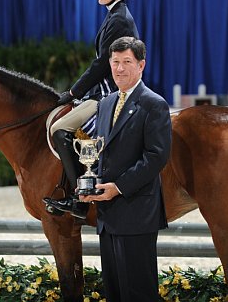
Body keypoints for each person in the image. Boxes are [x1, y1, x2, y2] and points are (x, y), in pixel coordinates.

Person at [44, 0, 139, 220]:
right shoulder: (115, 16)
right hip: (102, 92)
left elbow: (100, 66)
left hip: (109, 95)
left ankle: (80, 199)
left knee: (60, 129)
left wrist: (72, 93)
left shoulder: (120, 19)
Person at [80, 37, 171, 301]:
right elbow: (102, 153)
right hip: (107, 217)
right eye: (115, 62)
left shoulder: (154, 104)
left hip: (136, 213)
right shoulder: (106, 103)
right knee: (115, 292)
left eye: (127, 62)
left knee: (138, 293)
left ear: (141, 65)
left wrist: (118, 187)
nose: (119, 69)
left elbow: (156, 157)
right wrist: (90, 181)